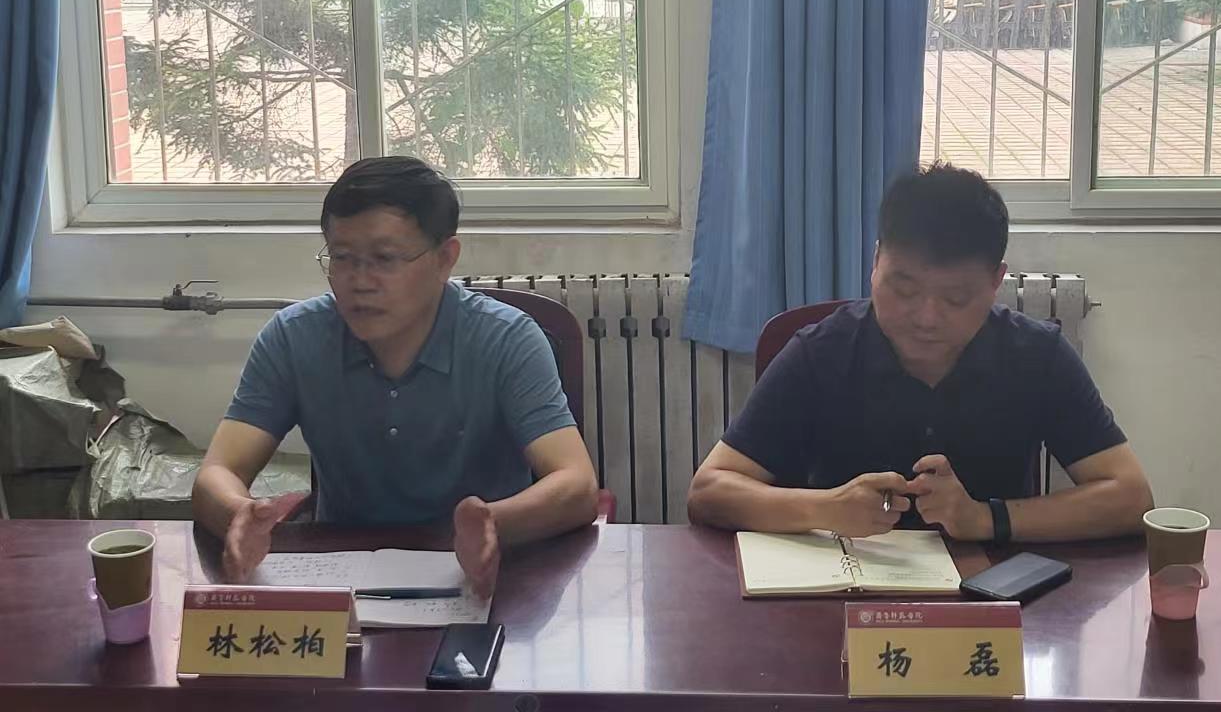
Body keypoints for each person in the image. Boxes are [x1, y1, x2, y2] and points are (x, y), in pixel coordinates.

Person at [193, 157, 599, 594]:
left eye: (384, 259)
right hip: (344, 583)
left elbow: (576, 485)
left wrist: (491, 525)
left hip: (483, 579)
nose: (359, 281)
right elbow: (217, 472)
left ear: (445, 259)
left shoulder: (507, 340)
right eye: (342, 258)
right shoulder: (294, 337)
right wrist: (238, 515)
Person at [687, 163, 1153, 544]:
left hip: (989, 599)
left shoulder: (1037, 355)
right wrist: (827, 508)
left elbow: (1131, 497)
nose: (927, 318)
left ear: (997, 281)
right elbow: (709, 490)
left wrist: (984, 519)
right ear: (876, 262)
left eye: (956, 298)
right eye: (904, 289)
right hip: (842, 598)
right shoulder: (820, 353)